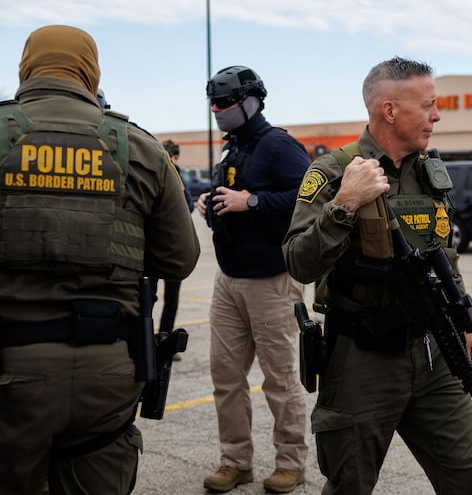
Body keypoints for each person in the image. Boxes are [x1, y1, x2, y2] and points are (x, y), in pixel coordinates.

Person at [0, 25, 200, 494]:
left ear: (27, 66)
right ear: (91, 71)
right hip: (107, 369)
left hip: (10, 368)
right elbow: (180, 259)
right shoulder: (141, 147)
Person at [283, 57, 472, 494]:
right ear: (390, 110)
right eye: (429, 105)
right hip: (363, 358)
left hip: (436, 351)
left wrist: (467, 322)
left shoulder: (430, 174)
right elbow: (299, 263)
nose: (437, 115)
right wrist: (342, 206)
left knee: (468, 478)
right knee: (350, 483)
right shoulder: (333, 172)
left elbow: (445, 257)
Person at [196, 65, 310, 493]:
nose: (217, 110)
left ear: (250, 101)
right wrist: (211, 202)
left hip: (271, 281)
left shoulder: (278, 145)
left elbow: (312, 195)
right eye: (213, 103)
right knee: (225, 376)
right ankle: (235, 461)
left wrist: (254, 201)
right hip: (229, 280)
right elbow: (233, 195)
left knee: (279, 378)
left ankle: (291, 463)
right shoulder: (233, 149)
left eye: (224, 102)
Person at [157, 139, 193, 358]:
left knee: (172, 298)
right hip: (152, 246)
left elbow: (187, 206)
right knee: (147, 295)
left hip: (171, 246)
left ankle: (164, 338)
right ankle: (143, 339)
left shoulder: (179, 177)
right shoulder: (154, 171)